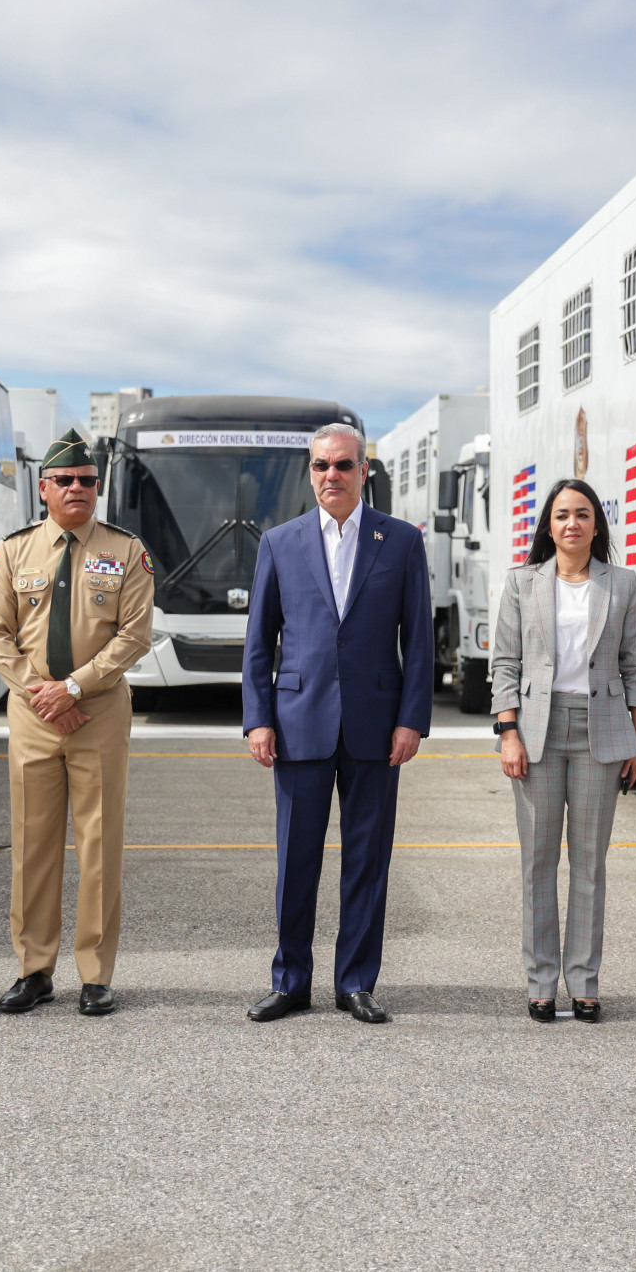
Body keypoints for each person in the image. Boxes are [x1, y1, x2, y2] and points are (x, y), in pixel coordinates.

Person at [242, 422, 432, 1024]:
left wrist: (411, 720)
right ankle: (290, 981)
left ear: (363, 471)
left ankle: (355, 982)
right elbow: (258, 643)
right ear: (310, 472)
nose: (333, 475)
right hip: (299, 723)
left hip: (377, 727)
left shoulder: (401, 541)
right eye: (322, 465)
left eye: (344, 465)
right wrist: (258, 720)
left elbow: (419, 641)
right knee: (295, 861)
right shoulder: (280, 542)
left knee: (367, 862)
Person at [0, 428, 154, 1017]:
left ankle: (96, 975)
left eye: (86, 480)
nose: (76, 488)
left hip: (97, 712)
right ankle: (33, 970)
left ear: (98, 487)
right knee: (33, 844)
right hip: (35, 714)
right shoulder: (14, 551)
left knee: (99, 846)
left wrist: (75, 687)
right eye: (64, 480)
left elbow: (134, 635)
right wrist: (45, 693)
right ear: (43, 488)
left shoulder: (126, 551)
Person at [490, 480, 636, 1023]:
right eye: (562, 515)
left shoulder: (623, 584)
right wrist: (508, 733)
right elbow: (504, 664)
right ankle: (541, 983)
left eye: (582, 514)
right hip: (536, 730)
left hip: (599, 731)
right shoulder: (522, 583)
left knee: (589, 865)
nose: (572, 524)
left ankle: (584, 983)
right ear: (549, 525)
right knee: (538, 863)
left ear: (596, 524)